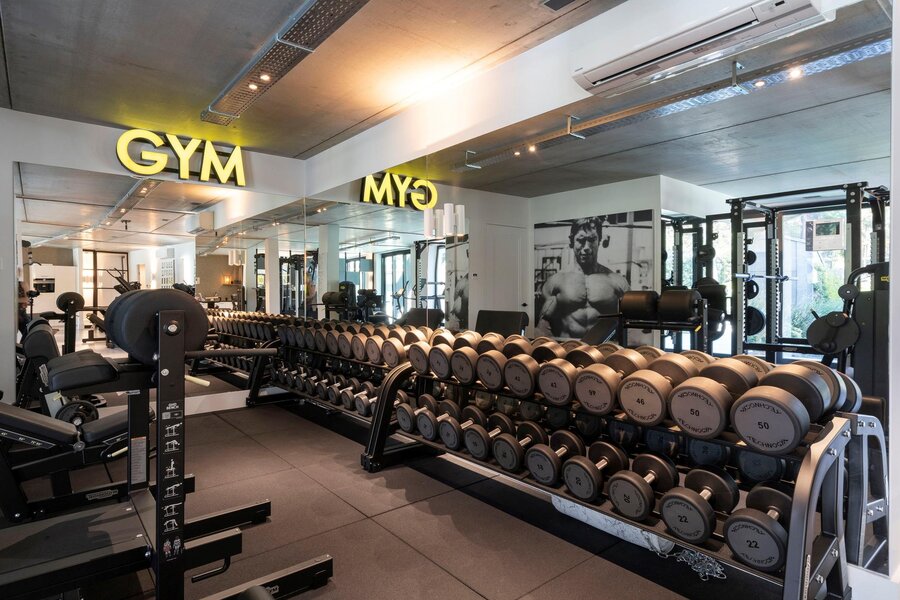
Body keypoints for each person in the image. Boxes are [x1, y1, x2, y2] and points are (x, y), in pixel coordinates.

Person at [536, 217, 629, 339]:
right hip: (569, 346)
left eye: (592, 240)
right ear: (572, 242)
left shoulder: (617, 282)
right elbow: (543, 325)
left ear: (599, 241)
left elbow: (630, 325)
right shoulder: (556, 282)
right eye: (581, 240)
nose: (586, 247)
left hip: (603, 348)